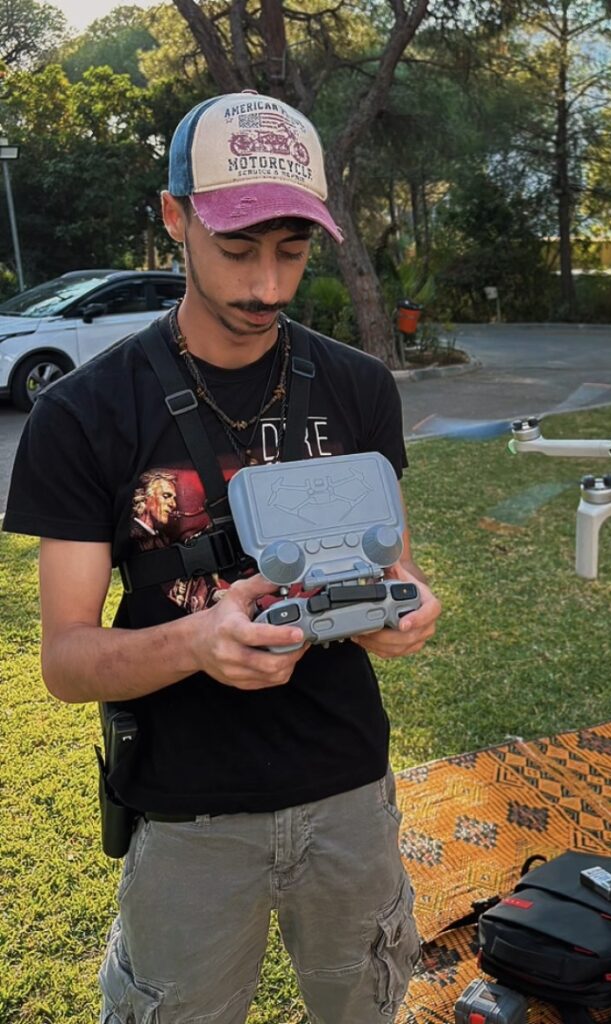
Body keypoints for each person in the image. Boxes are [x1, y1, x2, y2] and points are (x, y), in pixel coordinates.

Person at [2, 91, 441, 1023]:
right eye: (238, 250)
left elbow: (392, 571)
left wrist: (401, 611)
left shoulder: (359, 387)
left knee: (366, 1006)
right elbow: (66, 661)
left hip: (349, 792)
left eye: (292, 251)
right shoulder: (82, 414)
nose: (268, 287)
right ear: (175, 217)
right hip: (188, 814)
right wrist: (199, 642)